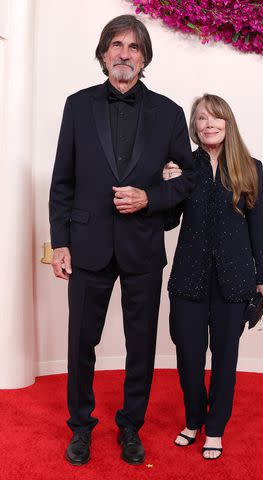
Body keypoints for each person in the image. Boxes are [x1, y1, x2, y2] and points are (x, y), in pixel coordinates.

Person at [49, 15, 195, 466]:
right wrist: (60, 242)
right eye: (116, 45)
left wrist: (150, 197)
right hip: (87, 243)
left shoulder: (169, 113)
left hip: (142, 247)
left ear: (144, 57)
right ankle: (81, 427)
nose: (124, 54)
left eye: (134, 47)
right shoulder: (76, 106)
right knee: (80, 343)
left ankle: (131, 426)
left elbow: (190, 178)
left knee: (141, 343)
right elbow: (62, 181)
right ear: (103, 53)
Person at [163, 94, 263, 460]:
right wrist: (168, 187)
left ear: (228, 122)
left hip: (235, 280)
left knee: (225, 357)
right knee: (188, 356)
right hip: (188, 279)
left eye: (215, 118)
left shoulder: (250, 167)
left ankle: (215, 428)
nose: (208, 124)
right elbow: (167, 222)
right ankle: (193, 419)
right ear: (194, 128)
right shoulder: (183, 167)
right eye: (201, 119)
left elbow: (259, 230)